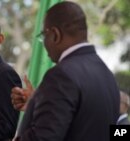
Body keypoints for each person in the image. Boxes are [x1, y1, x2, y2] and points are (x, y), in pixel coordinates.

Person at [11, 1, 120, 141]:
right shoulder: (107, 76)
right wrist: (37, 102)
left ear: (55, 34)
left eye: (44, 35)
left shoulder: (61, 76)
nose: (44, 43)